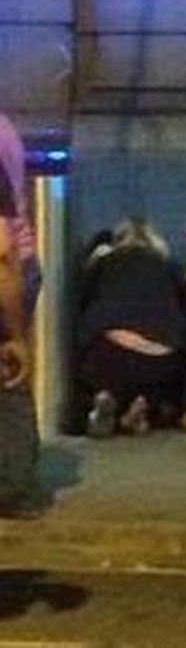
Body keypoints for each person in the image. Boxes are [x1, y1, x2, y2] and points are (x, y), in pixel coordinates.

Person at [75, 218, 186, 437]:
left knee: (97, 360)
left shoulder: (104, 264)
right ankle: (146, 410)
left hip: (108, 358)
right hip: (162, 364)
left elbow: (81, 309)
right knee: (169, 379)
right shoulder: (171, 267)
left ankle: (105, 403)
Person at [0, 112, 42, 520]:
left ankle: (12, 485)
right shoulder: (7, 128)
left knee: (7, 374)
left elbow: (2, 251)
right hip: (15, 264)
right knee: (10, 376)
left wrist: (13, 331)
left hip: (11, 268)